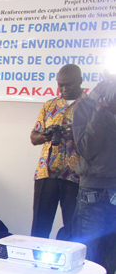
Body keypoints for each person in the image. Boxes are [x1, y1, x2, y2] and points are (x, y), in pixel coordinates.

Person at [72, 75, 116, 274]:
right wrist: (100, 113)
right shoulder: (85, 108)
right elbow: (87, 149)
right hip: (93, 190)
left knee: (111, 252)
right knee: (88, 252)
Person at [29, 64, 84, 239]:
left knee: (74, 229)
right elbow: (33, 137)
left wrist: (74, 135)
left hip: (75, 176)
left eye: (69, 84)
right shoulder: (49, 105)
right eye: (60, 85)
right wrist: (48, 134)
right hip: (47, 173)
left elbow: (97, 141)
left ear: (80, 81)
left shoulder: (91, 107)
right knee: (39, 227)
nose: (64, 89)